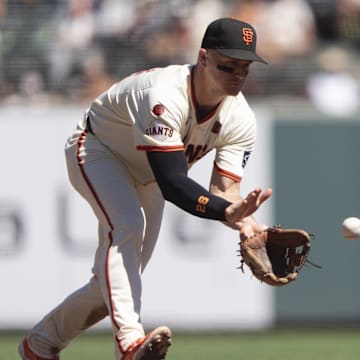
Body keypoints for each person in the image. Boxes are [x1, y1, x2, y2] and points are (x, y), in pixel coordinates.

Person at [19, 18, 272, 360]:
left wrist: (242, 221)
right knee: (127, 226)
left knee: (117, 280)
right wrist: (224, 211)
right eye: (228, 65)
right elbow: (173, 183)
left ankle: (41, 345)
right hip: (98, 150)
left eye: (245, 67)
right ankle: (130, 343)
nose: (237, 75)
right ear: (203, 57)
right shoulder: (164, 95)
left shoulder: (241, 118)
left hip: (148, 174)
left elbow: (225, 191)